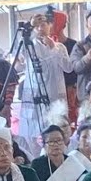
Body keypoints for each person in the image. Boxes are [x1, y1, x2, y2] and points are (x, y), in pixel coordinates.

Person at [16, 13, 73, 156]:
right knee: (33, 134)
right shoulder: (29, 45)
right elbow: (20, 54)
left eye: (44, 24)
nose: (41, 28)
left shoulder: (60, 46)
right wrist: (29, 29)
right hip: (35, 98)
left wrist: (54, 48)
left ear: (50, 26)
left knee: (57, 131)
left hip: (54, 97)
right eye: (38, 25)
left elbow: (68, 68)